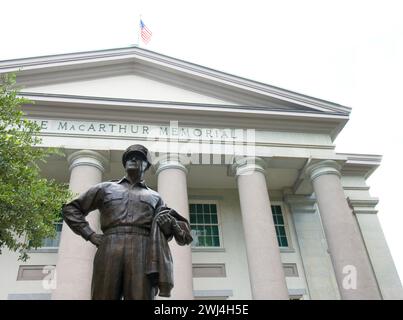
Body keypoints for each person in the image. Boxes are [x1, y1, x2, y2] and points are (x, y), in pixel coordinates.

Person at [61, 144, 193, 300]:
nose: (133, 159)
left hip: (143, 249)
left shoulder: (155, 197)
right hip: (110, 245)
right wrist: (90, 234)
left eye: (139, 157)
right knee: (103, 295)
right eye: (129, 157)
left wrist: (167, 226)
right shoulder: (105, 188)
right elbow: (70, 209)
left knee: (141, 296)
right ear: (124, 163)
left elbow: (173, 230)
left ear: (147, 165)